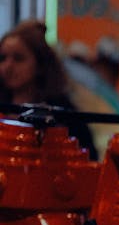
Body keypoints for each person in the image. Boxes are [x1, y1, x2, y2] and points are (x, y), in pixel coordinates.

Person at [0, 20, 98, 158]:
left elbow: (88, 157)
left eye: (18, 58)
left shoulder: (63, 113)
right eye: (2, 58)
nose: (7, 66)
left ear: (40, 65)